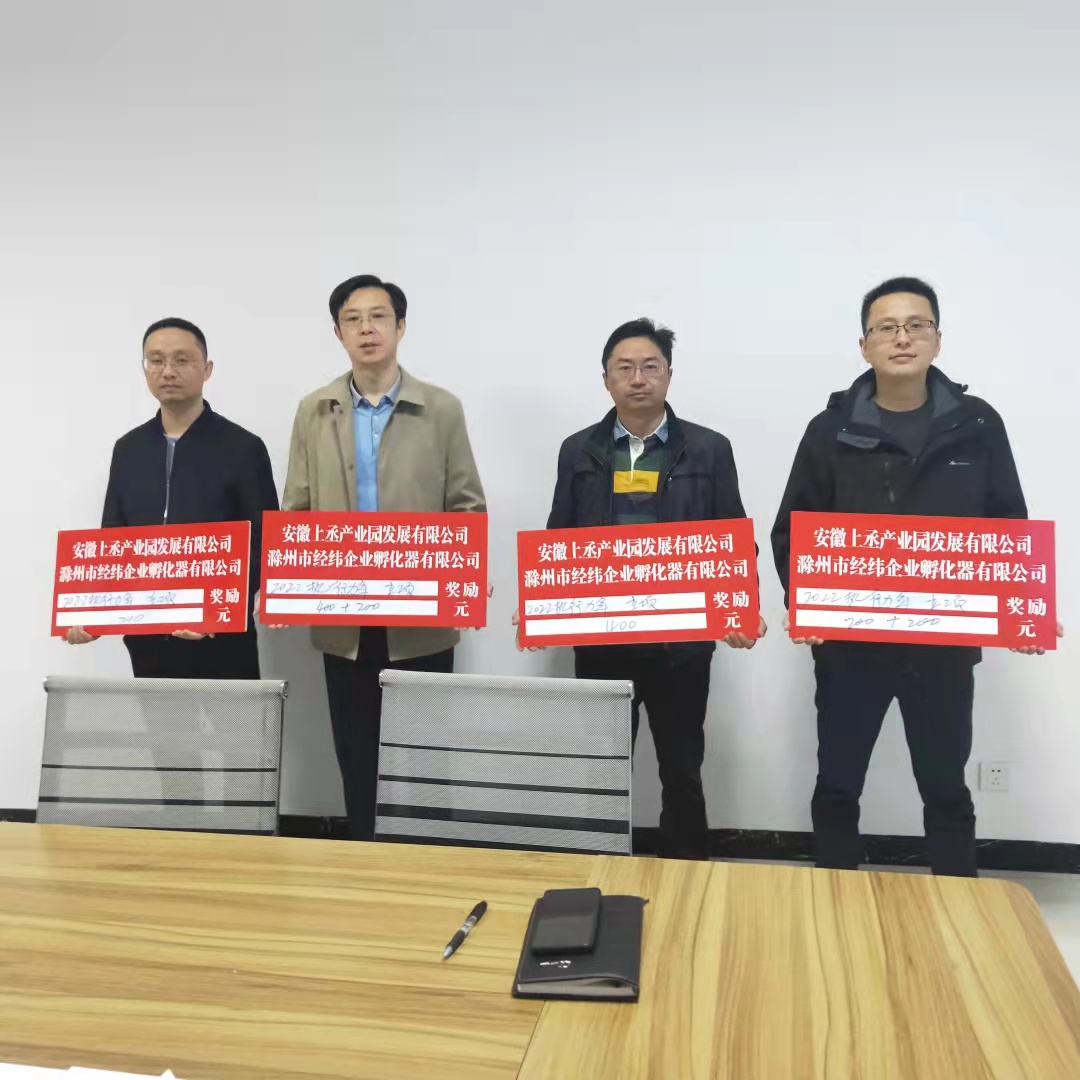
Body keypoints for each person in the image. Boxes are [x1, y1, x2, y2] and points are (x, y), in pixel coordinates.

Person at [771, 276, 1062, 878]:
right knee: (837, 785)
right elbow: (792, 531)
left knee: (946, 788)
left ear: (937, 338)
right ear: (864, 345)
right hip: (851, 647)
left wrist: (1024, 608)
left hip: (943, 648)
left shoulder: (977, 424)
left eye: (916, 325)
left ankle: (956, 905)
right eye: (886, 328)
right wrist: (804, 602)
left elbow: (1008, 525)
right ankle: (834, 903)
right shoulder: (829, 430)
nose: (902, 338)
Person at [526, 317, 765, 860]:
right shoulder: (578, 450)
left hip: (680, 645)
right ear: (606, 379)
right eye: (625, 368)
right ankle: (600, 873)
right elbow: (559, 537)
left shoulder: (709, 448)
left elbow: (734, 536)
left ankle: (688, 876)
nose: (638, 378)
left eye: (650, 367)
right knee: (602, 767)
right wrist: (541, 607)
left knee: (682, 769)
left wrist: (741, 607)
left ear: (669, 375)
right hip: (603, 642)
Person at [281, 274, 486, 841]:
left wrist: (464, 572)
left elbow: (466, 507)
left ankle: (428, 859)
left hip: (421, 618)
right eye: (352, 319)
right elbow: (296, 510)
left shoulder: (441, 408)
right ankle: (365, 859)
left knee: (425, 755)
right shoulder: (313, 410)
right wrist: (286, 580)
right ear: (338, 333)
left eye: (378, 317)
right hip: (343, 619)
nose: (366, 329)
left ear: (400, 327)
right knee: (357, 754)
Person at [66, 317, 279, 678]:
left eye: (182, 360)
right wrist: (93, 613)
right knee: (160, 718)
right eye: (156, 360)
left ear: (207, 369)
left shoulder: (243, 447)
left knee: (229, 718)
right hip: (146, 639)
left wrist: (216, 611)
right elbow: (113, 541)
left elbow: (265, 542)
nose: (167, 371)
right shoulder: (129, 449)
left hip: (222, 640)